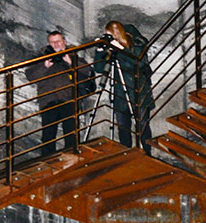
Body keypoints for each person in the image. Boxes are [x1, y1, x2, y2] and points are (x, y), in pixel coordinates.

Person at [25, 29, 94, 157]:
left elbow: (88, 71)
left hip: (68, 100)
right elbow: (30, 75)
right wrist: (44, 65)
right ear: (49, 44)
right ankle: (47, 161)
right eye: (53, 42)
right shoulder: (42, 58)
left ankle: (72, 158)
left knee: (71, 133)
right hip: (48, 101)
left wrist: (71, 62)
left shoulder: (73, 56)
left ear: (64, 42)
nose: (56, 45)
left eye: (58, 41)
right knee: (48, 136)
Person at [95, 21, 153, 154]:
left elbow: (137, 62)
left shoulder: (135, 43)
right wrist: (99, 50)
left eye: (109, 35)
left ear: (116, 34)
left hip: (139, 92)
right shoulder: (111, 49)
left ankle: (147, 155)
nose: (107, 38)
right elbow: (98, 68)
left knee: (142, 126)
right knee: (123, 128)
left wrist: (120, 48)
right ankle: (126, 155)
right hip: (120, 94)